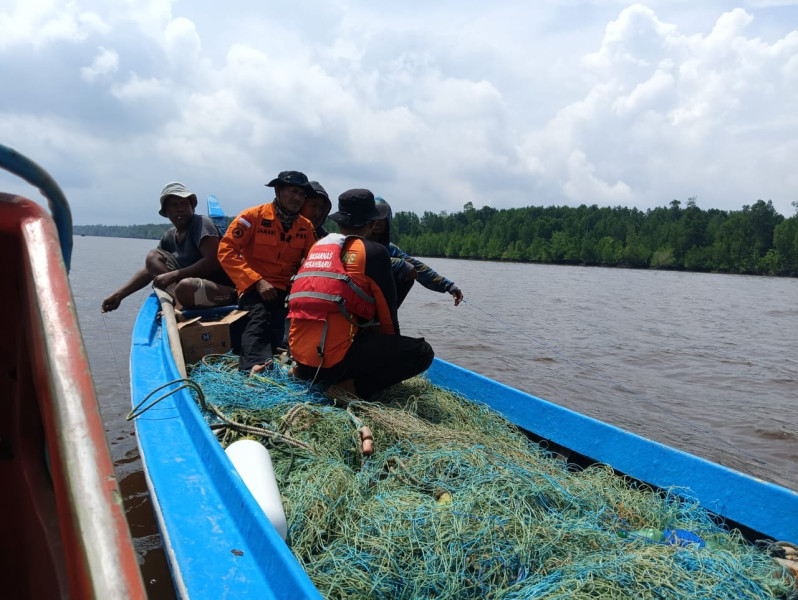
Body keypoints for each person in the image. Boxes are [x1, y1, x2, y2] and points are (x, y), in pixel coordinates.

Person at [287, 189, 434, 399]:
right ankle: (350, 388)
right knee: (423, 352)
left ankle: (301, 373)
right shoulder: (374, 252)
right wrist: (391, 364)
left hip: (301, 357)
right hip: (333, 364)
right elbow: (388, 319)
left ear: (339, 222)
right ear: (372, 224)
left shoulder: (318, 247)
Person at [218, 170, 316, 372]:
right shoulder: (251, 217)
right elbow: (226, 251)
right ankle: (255, 366)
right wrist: (257, 281)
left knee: (306, 317)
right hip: (254, 288)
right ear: (278, 191)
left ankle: (307, 365)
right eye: (293, 191)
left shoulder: (306, 228)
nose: (297, 198)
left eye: (302, 194)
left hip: (287, 291)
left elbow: (314, 261)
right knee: (261, 315)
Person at [101, 182, 236, 313]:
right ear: (166, 211)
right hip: (189, 289)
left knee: (185, 287)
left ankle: (180, 300)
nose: (180, 209)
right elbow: (150, 269)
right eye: (174, 205)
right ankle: (178, 300)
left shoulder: (201, 223)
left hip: (221, 289)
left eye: (184, 203)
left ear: (192, 207)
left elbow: (214, 260)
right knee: (153, 257)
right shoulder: (169, 236)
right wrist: (120, 294)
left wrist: (173, 275)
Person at [370, 196, 464, 307]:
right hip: (358, 296)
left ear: (388, 220)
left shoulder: (391, 249)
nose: (376, 222)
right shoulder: (357, 242)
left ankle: (388, 315)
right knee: (403, 267)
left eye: (381, 218)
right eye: (373, 217)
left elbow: (418, 267)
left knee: (408, 273)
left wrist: (449, 286)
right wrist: (400, 264)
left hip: (379, 303)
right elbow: (368, 259)